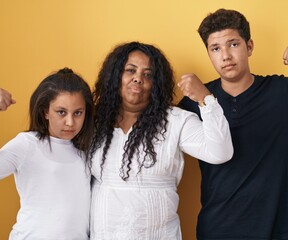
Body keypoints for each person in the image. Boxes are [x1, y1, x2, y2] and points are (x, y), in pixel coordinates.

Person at [178, 8, 288, 240]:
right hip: (216, 231)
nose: (225, 55)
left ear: (249, 47)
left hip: (274, 231)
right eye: (215, 48)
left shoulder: (286, 93)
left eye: (233, 44)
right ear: (208, 53)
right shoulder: (195, 100)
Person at [87, 41, 233, 240]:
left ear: (156, 84)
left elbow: (220, 153)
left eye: (148, 74)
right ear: (115, 76)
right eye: (130, 70)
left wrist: (205, 99)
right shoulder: (94, 122)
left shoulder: (175, 121)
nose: (138, 79)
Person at [0, 68, 94, 240]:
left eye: (78, 113)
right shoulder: (28, 144)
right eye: (61, 112)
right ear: (45, 112)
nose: (70, 122)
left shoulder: (88, 151)